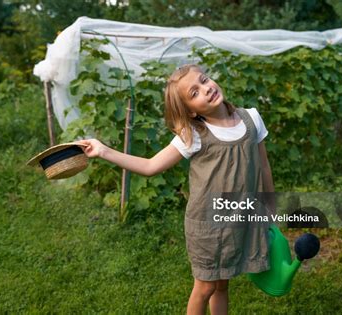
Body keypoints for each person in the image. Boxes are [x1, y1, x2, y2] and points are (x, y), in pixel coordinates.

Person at [75, 64, 276, 315]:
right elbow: (150, 166)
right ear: (190, 112)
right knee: (205, 287)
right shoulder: (194, 134)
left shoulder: (252, 118)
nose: (206, 89)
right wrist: (103, 150)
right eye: (194, 93)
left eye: (204, 80)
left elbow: (264, 166)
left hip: (239, 219)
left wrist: (271, 206)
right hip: (207, 227)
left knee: (223, 285)